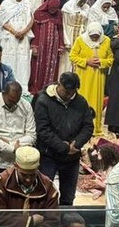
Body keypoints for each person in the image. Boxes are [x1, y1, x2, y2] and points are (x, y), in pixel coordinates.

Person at [34, 72, 94, 206]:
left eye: (72, 92)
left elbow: (88, 126)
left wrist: (76, 144)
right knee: (44, 196)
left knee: (68, 198)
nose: (68, 95)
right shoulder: (43, 100)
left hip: (72, 158)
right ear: (59, 84)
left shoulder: (81, 102)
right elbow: (43, 130)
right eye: (65, 91)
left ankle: (66, 219)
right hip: (48, 156)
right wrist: (64, 147)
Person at [0, 81, 35, 197]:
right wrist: (13, 148)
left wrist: (11, 144)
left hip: (18, 163)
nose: (14, 104)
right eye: (11, 100)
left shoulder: (26, 106)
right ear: (3, 93)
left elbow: (32, 135)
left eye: (17, 101)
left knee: (15, 200)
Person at [69, 22, 112, 134]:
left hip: (98, 77)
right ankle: (80, 128)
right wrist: (86, 61)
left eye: (97, 36)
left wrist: (101, 62)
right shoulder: (80, 40)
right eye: (92, 36)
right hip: (83, 76)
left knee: (97, 101)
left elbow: (111, 59)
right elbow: (72, 56)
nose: (94, 39)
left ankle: (95, 128)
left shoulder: (106, 41)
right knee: (82, 100)